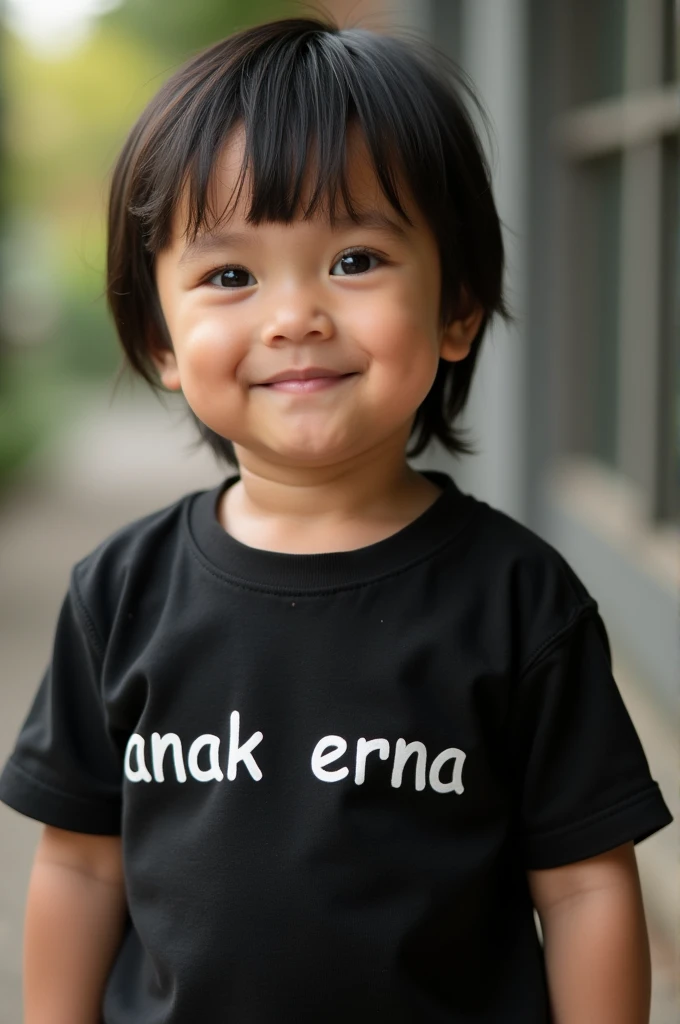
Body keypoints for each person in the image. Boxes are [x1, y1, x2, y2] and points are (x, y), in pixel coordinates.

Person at [0, 16, 672, 1024]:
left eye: (354, 259)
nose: (292, 316)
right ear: (159, 341)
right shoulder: (121, 591)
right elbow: (83, 863)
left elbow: (580, 884)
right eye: (230, 275)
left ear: (455, 307)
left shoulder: (518, 599)